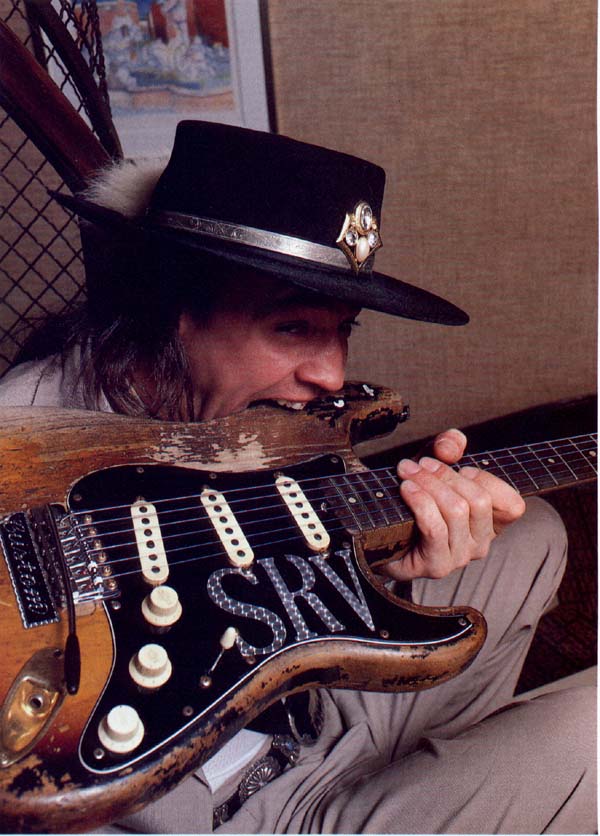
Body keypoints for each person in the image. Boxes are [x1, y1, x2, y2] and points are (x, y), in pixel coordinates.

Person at [0, 120, 595, 834]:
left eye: (343, 328)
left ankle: (427, 794)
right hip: (224, 807)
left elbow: (240, 550)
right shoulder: (28, 437)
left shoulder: (241, 409)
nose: (332, 374)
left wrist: (379, 562)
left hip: (312, 712)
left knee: (529, 532)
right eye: (292, 328)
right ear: (171, 308)